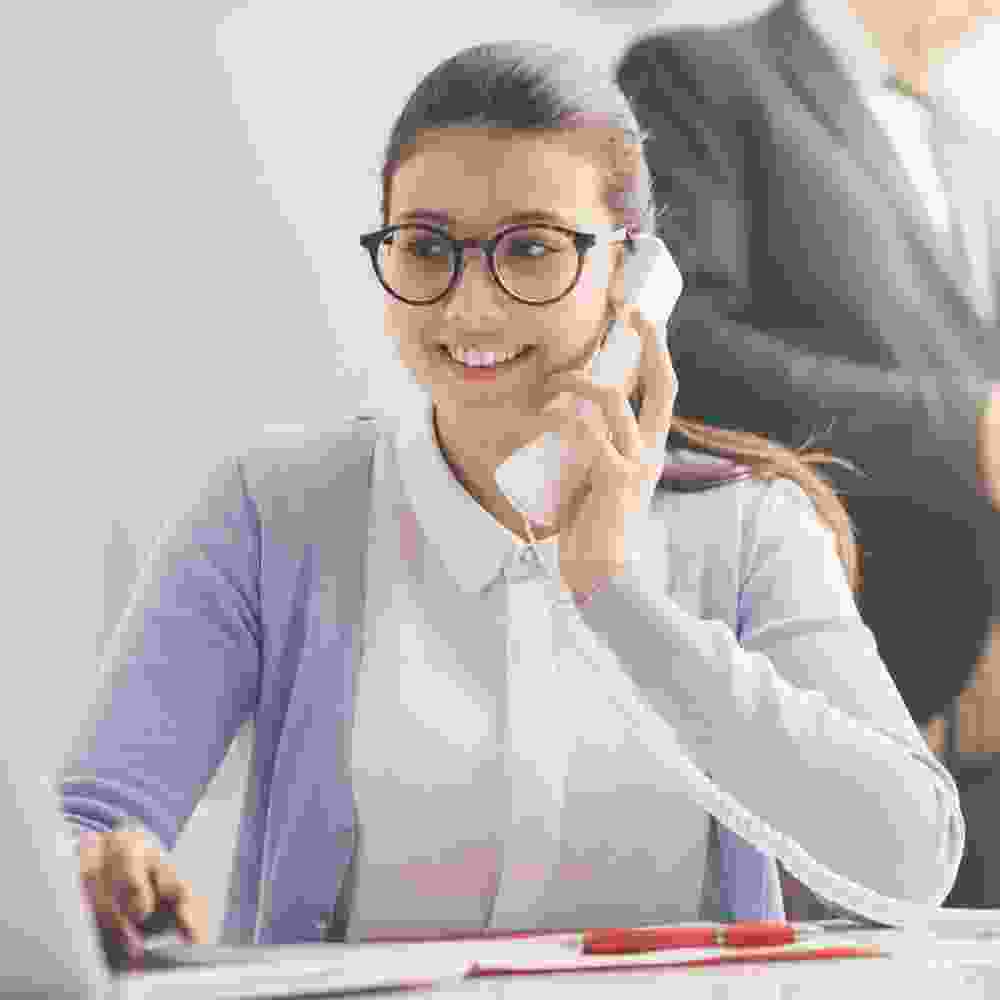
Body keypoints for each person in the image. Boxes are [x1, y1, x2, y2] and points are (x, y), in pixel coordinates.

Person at [61, 40, 963, 954]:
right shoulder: (273, 512)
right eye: (426, 249)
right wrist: (97, 871)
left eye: (531, 249)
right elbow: (88, 826)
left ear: (634, 278)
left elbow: (910, 863)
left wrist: (613, 597)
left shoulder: (750, 527)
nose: (471, 307)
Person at [609, 0, 1000, 738]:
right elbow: (675, 348)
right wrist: (964, 432)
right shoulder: (697, 75)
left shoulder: (975, 147)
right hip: (800, 676)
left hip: (969, 694)